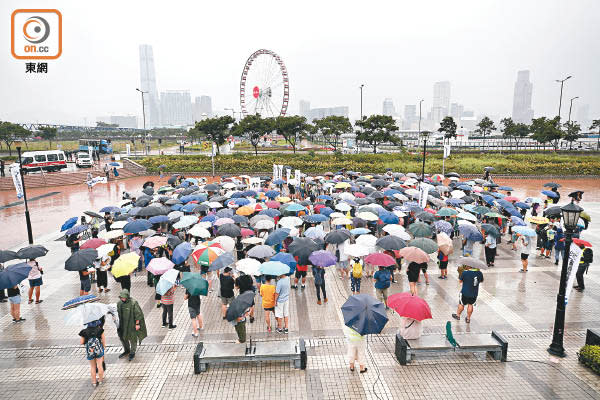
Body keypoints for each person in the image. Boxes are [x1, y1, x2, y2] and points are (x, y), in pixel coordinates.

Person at [116, 289, 147, 361]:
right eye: (121, 297)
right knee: (123, 337)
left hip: (131, 324)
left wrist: (137, 324)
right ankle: (127, 350)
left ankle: (132, 352)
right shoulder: (119, 303)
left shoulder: (133, 303)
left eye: (124, 297)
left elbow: (138, 314)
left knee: (133, 338)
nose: (123, 299)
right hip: (122, 324)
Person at [79, 320, 106, 387]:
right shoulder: (100, 330)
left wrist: (86, 341)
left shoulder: (84, 331)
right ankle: (100, 380)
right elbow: (103, 340)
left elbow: (81, 342)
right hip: (99, 350)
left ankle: (94, 382)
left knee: (93, 367)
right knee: (100, 365)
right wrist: (104, 346)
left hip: (90, 351)